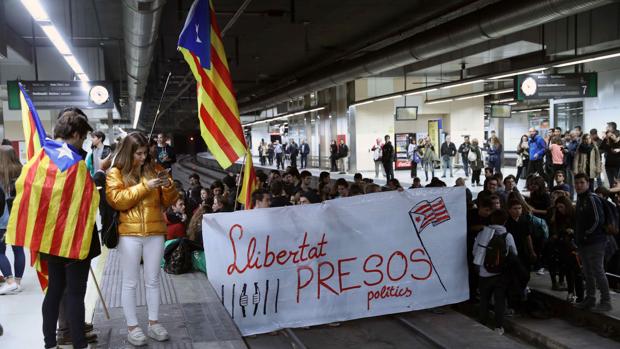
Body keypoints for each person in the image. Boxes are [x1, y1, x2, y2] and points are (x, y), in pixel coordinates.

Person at [36, 108, 100, 349]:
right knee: (74, 294)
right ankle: (79, 344)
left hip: (49, 237)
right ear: (74, 133)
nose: (82, 141)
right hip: (74, 239)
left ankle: (49, 343)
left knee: (54, 291)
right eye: (82, 137)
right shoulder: (75, 163)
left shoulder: (42, 156)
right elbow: (88, 201)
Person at [106, 132, 178, 346]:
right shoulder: (115, 173)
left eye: (145, 153)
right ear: (129, 152)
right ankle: (132, 327)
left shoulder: (154, 168)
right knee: (129, 282)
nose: (143, 157)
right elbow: (117, 200)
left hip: (155, 231)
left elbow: (169, 199)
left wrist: (167, 185)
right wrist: (145, 186)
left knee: (154, 280)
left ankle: (154, 323)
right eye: (138, 153)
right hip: (129, 234)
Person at [473, 210, 517, 335]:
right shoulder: (507, 235)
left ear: (491, 220)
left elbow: (475, 252)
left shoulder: (482, 234)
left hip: (484, 273)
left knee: (484, 299)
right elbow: (514, 253)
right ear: (505, 221)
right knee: (499, 300)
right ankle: (498, 327)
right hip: (501, 274)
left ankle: (482, 322)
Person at [573, 173, 611, 312]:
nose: (578, 186)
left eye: (582, 183)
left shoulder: (592, 199)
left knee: (598, 271)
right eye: (576, 183)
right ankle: (590, 298)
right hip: (584, 242)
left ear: (588, 184)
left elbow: (597, 220)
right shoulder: (581, 199)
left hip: (596, 242)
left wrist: (586, 234)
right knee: (587, 271)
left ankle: (606, 301)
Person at [0, 145, 24, 295]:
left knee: (0, 251)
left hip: (2, 219)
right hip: (19, 217)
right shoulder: (22, 170)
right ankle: (18, 282)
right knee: (18, 250)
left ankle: (9, 281)